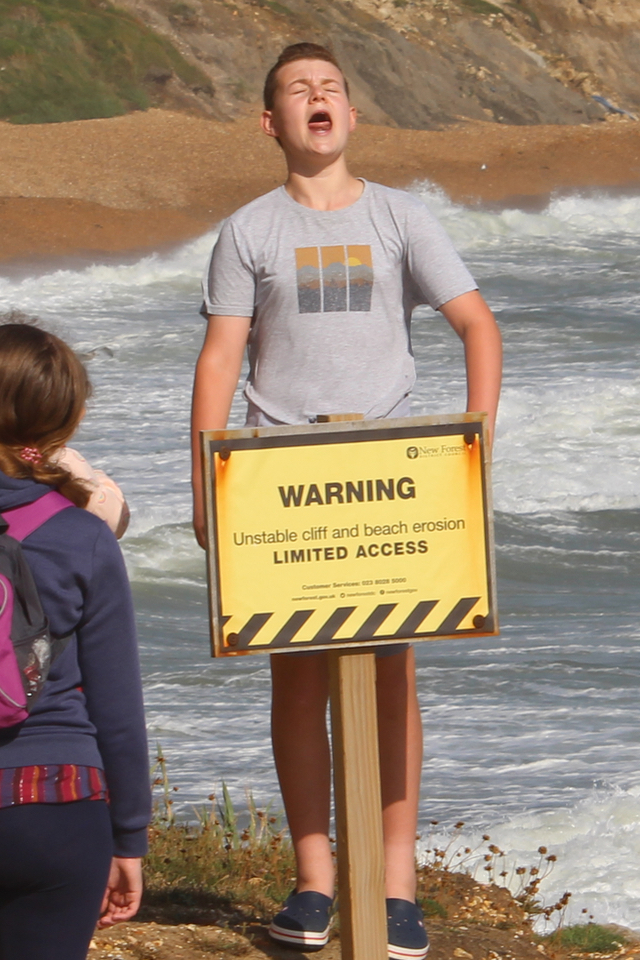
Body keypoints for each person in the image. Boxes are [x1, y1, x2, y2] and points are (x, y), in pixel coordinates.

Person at [191, 42, 502, 959]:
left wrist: (476, 445)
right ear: (271, 122)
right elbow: (221, 357)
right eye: (298, 89)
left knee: (393, 675)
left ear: (352, 115)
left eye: (330, 87)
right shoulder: (248, 230)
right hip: (279, 479)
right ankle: (314, 881)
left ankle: (397, 890)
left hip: (392, 476)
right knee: (296, 677)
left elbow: (477, 325)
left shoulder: (402, 216)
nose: (317, 97)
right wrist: (205, 481)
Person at [0, 322, 150, 960]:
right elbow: (117, 706)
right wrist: (129, 838)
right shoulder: (82, 537)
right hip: (55, 803)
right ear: (68, 422)